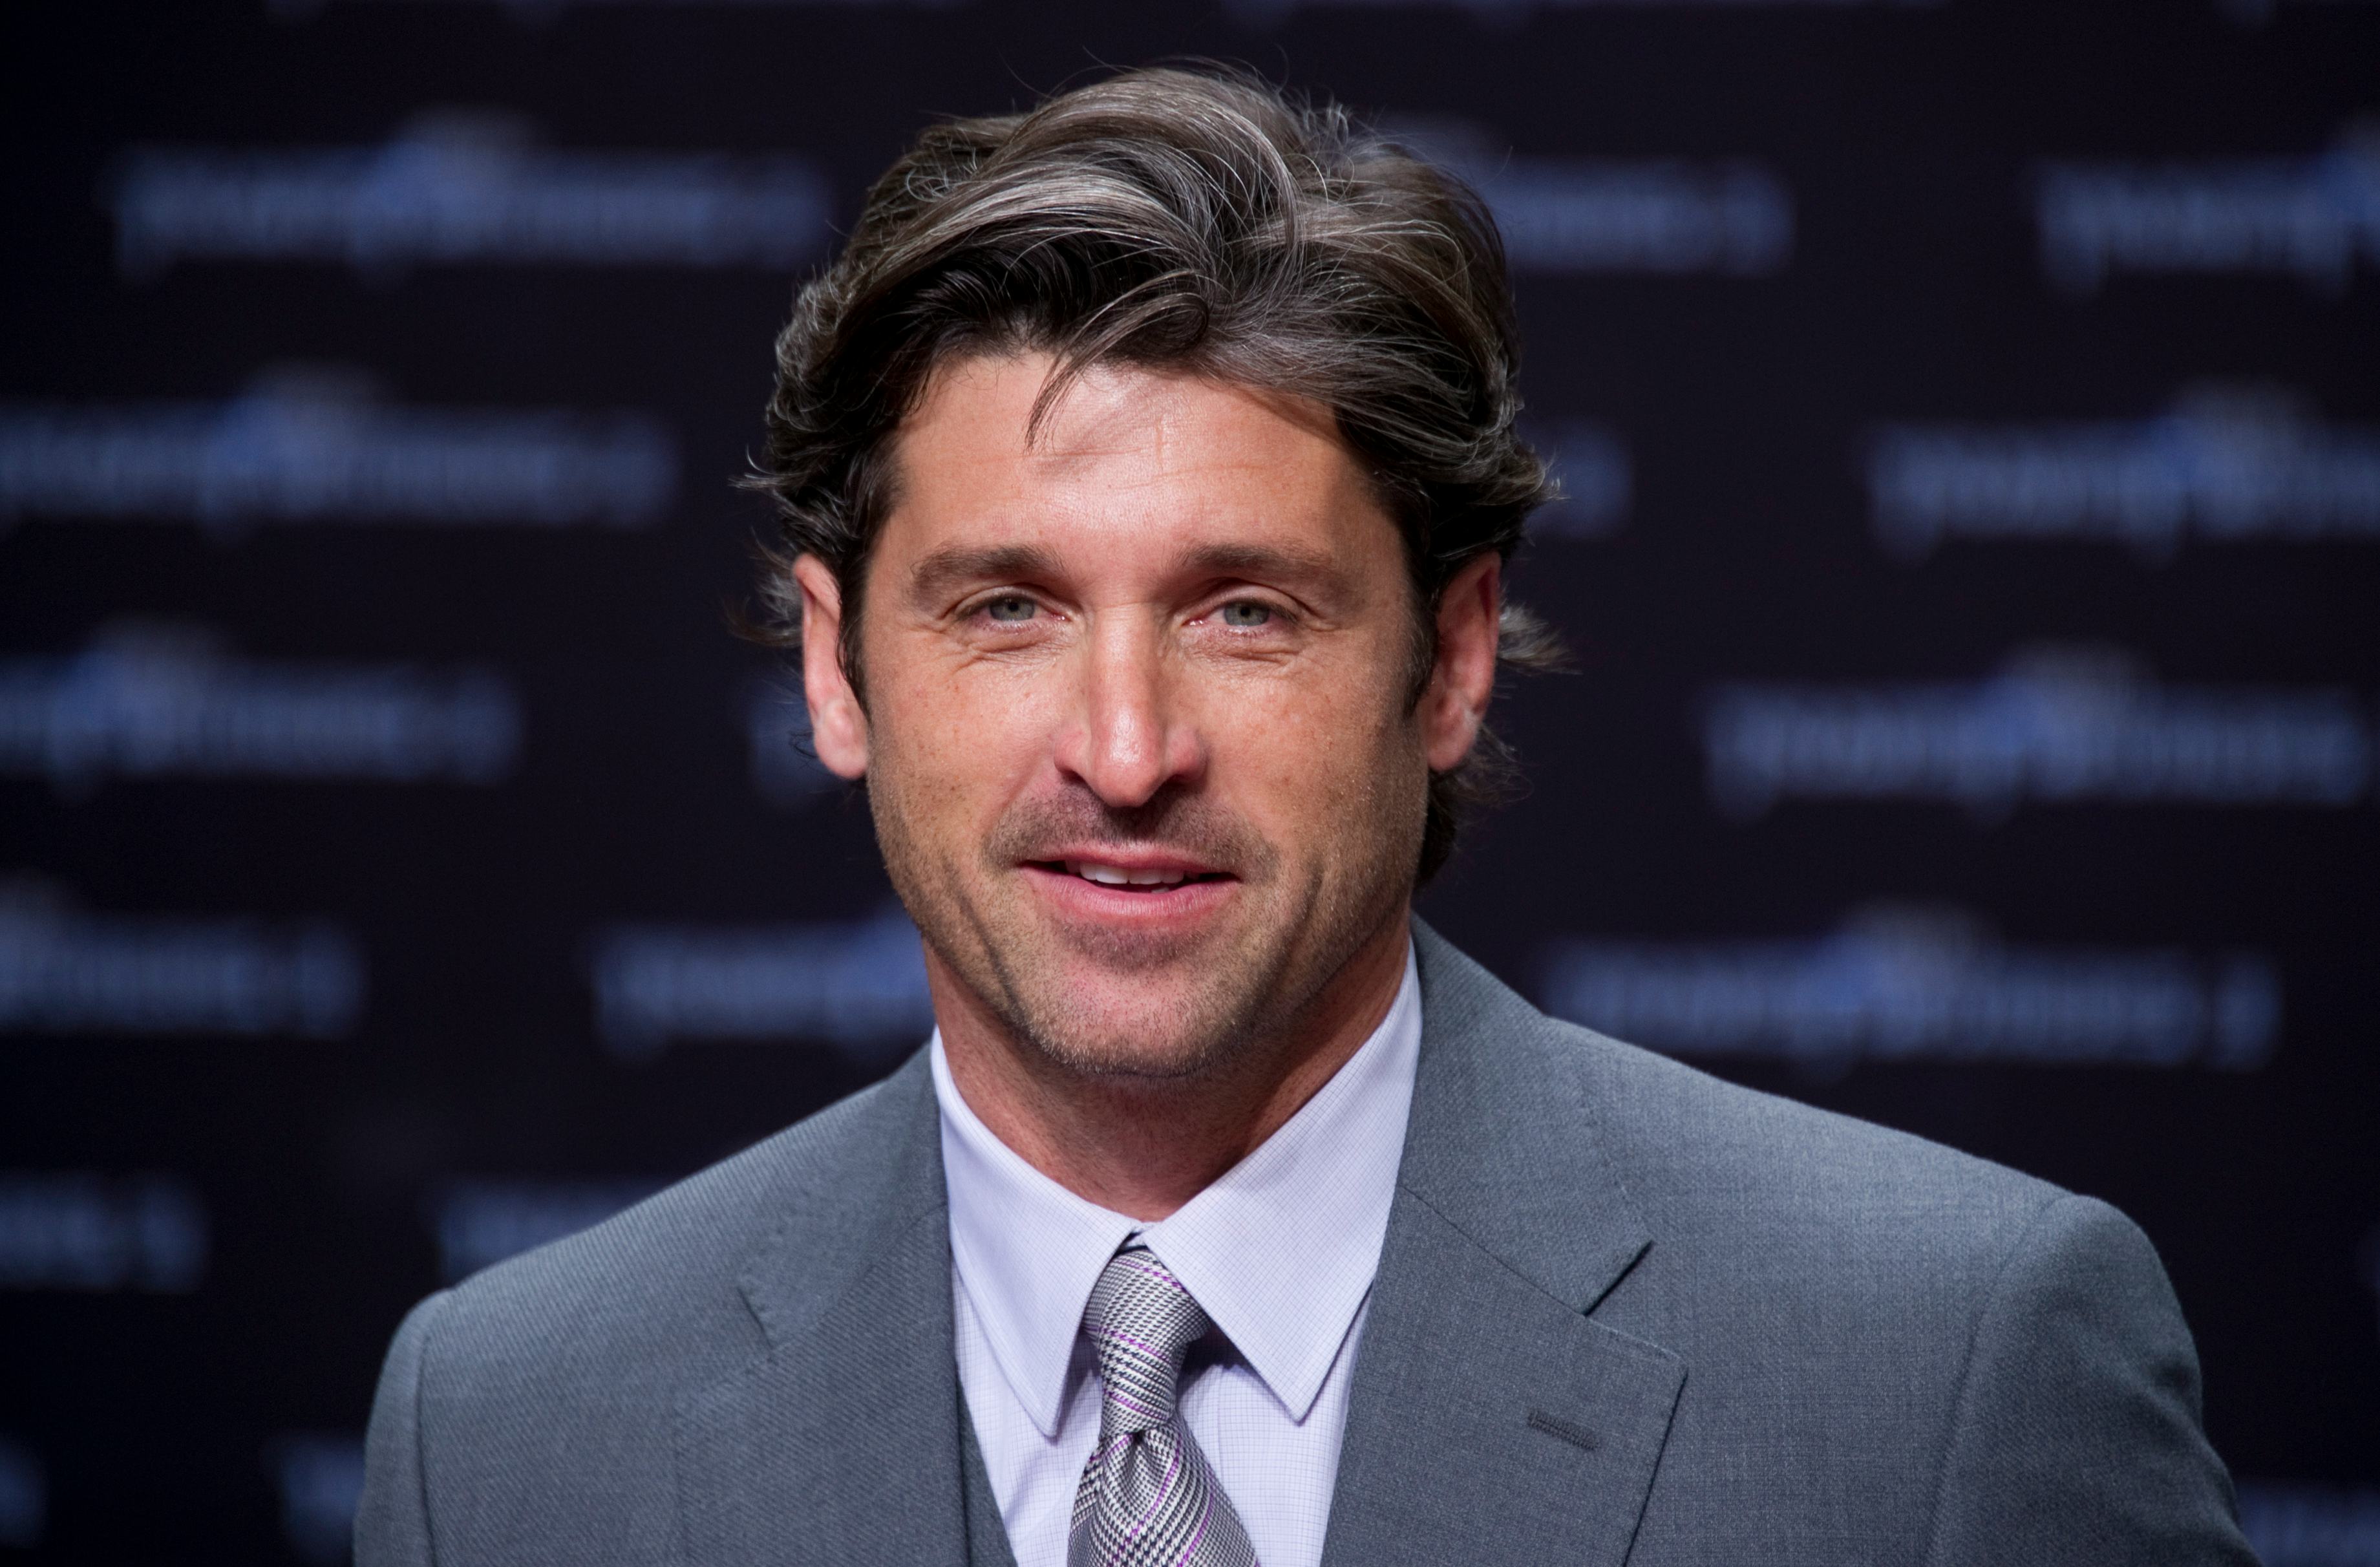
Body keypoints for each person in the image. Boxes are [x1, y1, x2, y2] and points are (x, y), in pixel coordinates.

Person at [356, 66, 2256, 1567]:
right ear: (836, 672)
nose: (1124, 750)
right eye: (1005, 608)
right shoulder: (508, 1434)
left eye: (1244, 612)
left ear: (1451, 659)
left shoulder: (1942, 1370)